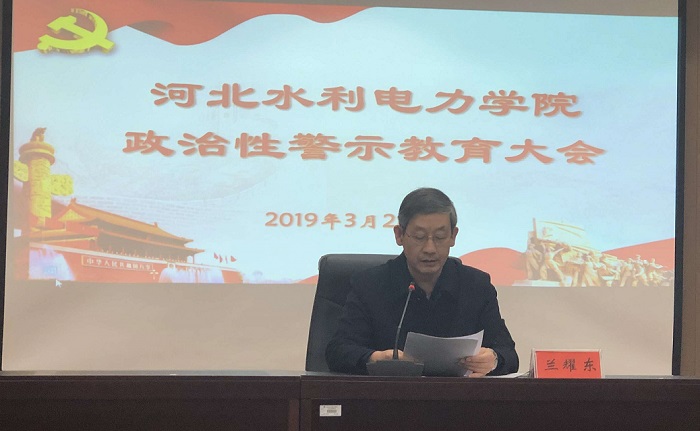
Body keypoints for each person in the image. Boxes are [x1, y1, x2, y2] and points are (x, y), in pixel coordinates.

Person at [325, 187, 518, 376]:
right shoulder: (369, 285)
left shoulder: (476, 286)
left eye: (440, 237)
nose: (430, 248)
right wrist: (376, 358)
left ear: (453, 236)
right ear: (399, 235)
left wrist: (493, 360)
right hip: (390, 393)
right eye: (419, 237)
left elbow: (508, 354)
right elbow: (338, 351)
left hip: (457, 395)